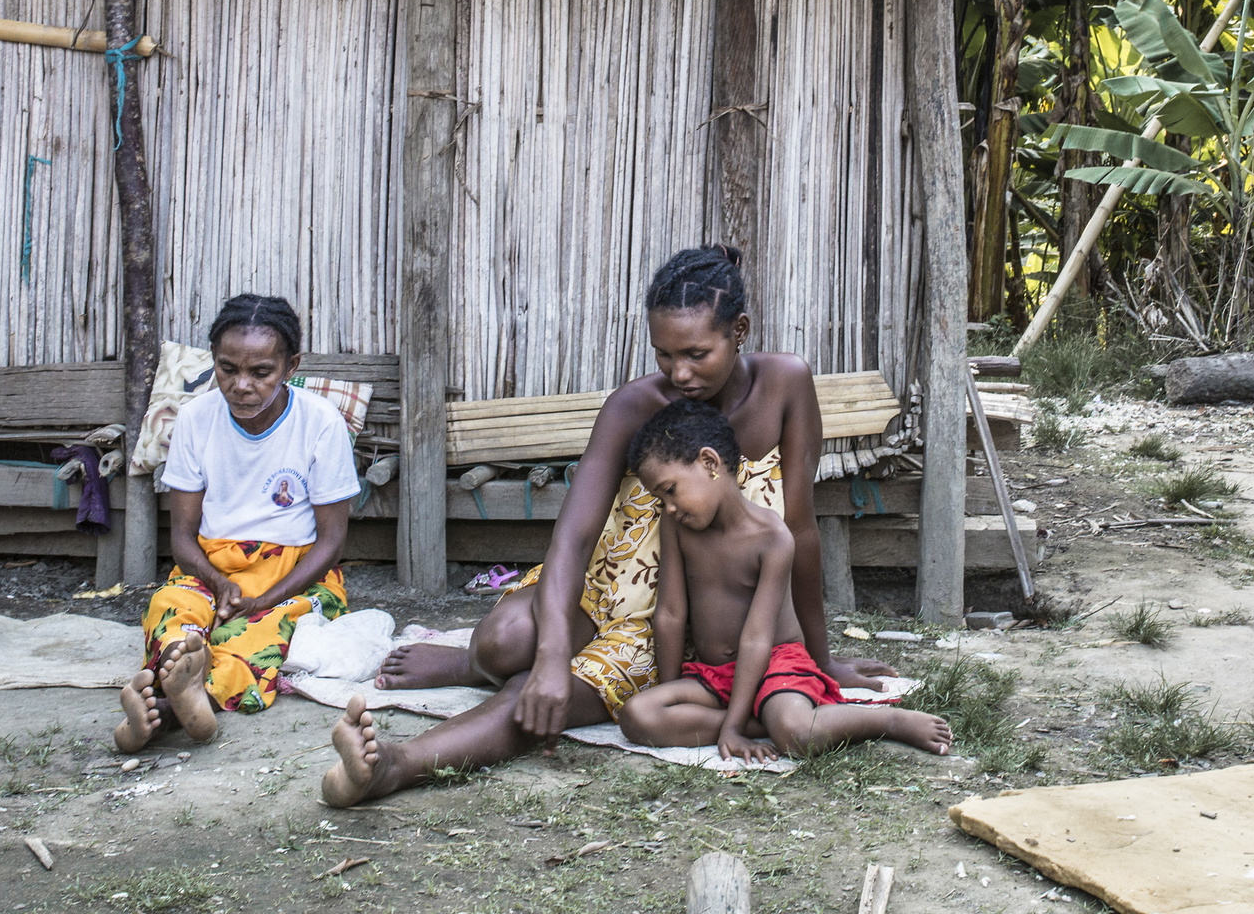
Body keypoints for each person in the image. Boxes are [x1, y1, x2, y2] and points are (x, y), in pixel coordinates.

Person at [322, 244, 899, 805]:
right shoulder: (634, 406)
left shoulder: (785, 386)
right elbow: (572, 536)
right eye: (664, 355)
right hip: (609, 595)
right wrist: (551, 658)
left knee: (536, 700)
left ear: (739, 331)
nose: (680, 373)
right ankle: (475, 665)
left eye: (697, 354)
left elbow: (799, 531)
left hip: (686, 631)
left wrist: (820, 665)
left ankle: (396, 765)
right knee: (507, 646)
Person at [616, 400, 951, 760]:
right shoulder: (676, 525)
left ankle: (887, 721)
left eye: (669, 490)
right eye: (659, 498)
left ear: (710, 463)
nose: (667, 507)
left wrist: (724, 728)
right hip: (714, 675)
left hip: (776, 665)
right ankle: (757, 722)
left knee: (796, 735)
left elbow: (758, 637)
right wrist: (672, 692)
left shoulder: (772, 537)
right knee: (639, 715)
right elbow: (669, 613)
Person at [115, 294, 360, 752]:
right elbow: (183, 538)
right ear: (215, 362)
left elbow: (332, 542)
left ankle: (165, 709)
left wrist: (266, 597)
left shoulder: (320, 422)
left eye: (261, 372)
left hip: (297, 574)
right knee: (172, 607)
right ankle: (180, 672)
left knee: (262, 631)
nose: (241, 385)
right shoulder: (194, 420)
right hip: (210, 565)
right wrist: (216, 581)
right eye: (228, 369)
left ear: (291, 366)